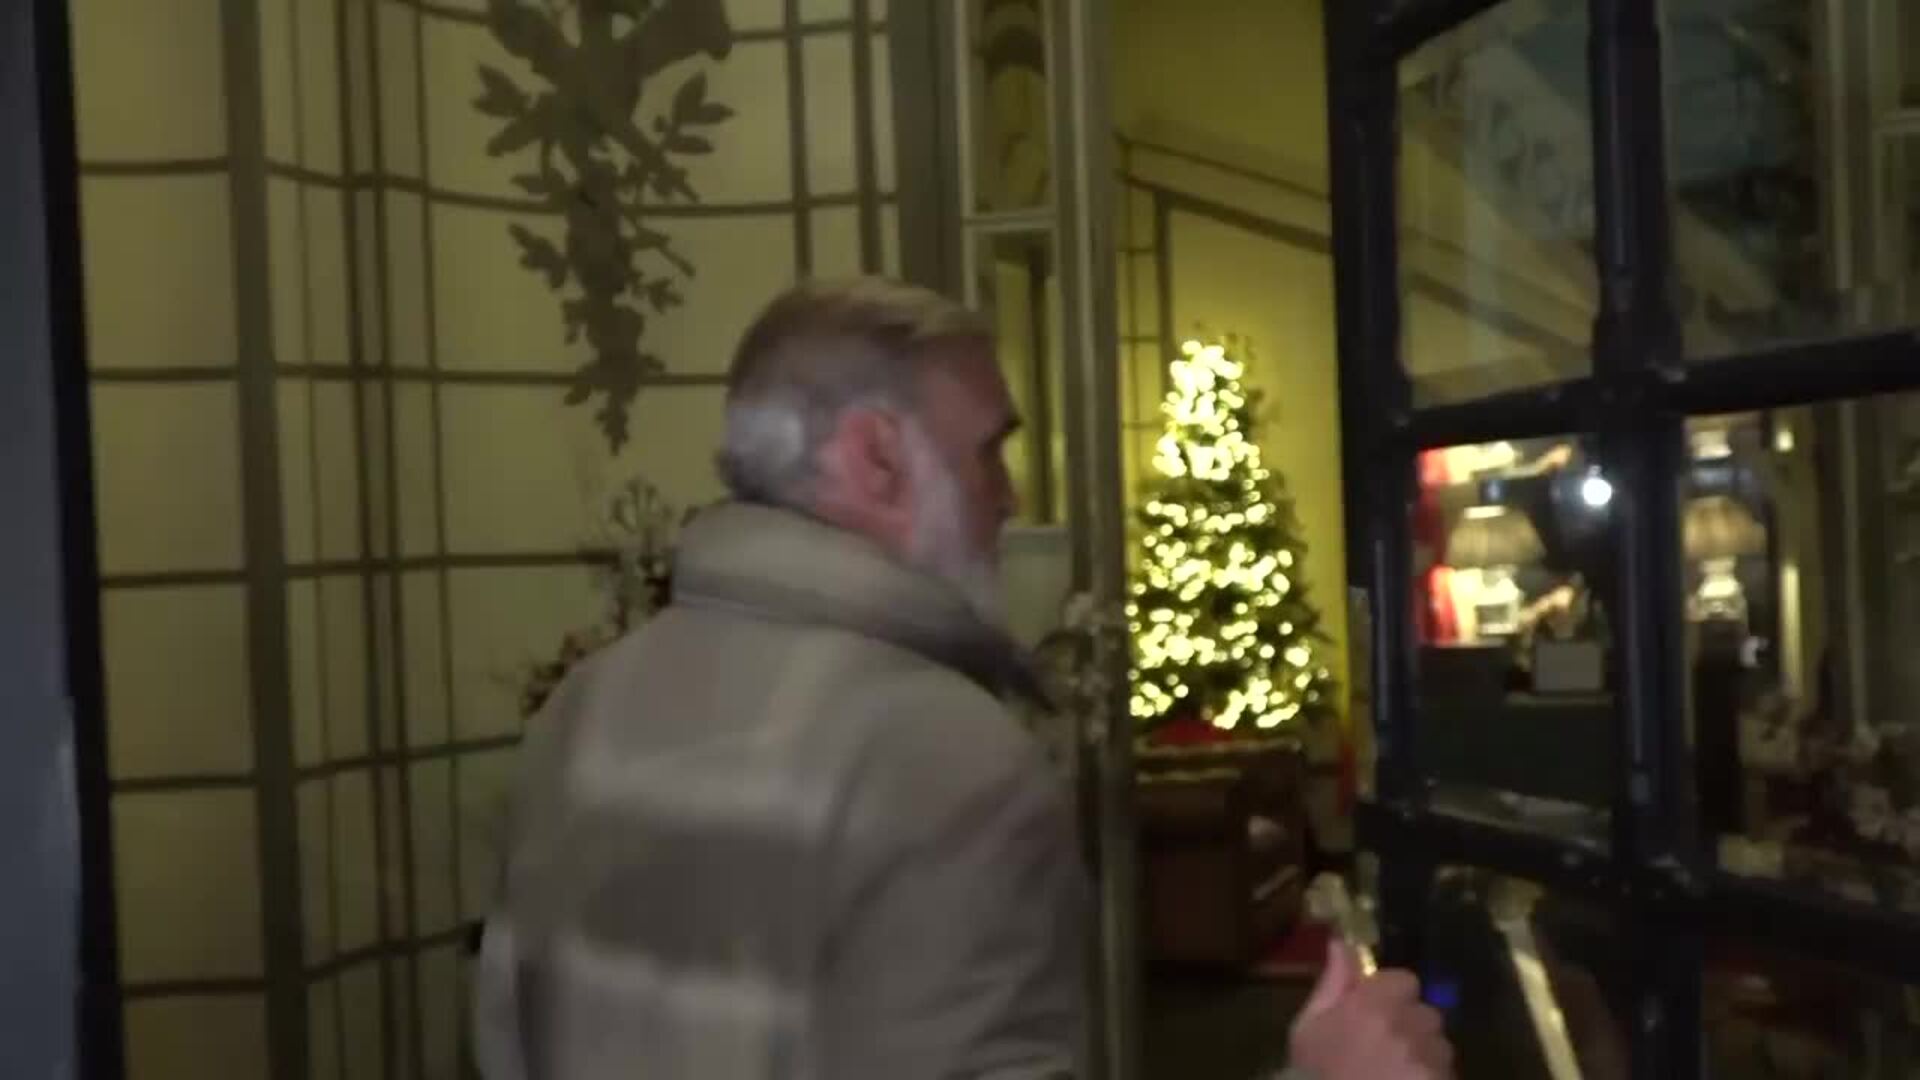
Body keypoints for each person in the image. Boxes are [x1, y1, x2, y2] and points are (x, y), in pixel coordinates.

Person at [472, 277, 1452, 1079]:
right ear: (877, 458)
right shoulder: (945, 757)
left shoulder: (584, 707)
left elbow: (505, 1046)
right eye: (989, 451)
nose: (1011, 496)